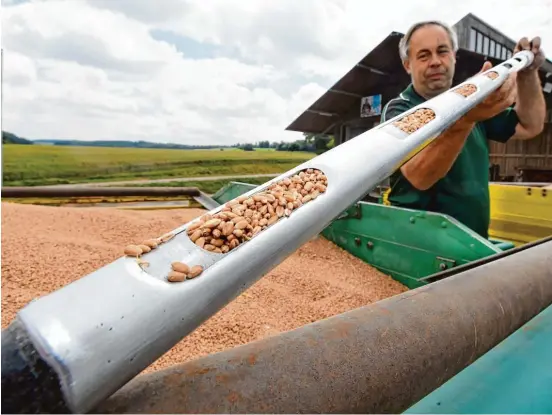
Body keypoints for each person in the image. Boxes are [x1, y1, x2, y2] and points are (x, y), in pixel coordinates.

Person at [380, 20, 546, 239]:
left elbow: (530, 125)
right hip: (414, 246)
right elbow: (420, 176)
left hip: (472, 241)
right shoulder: (401, 109)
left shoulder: (473, 100)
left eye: (442, 51)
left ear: (454, 56)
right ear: (407, 64)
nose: (435, 62)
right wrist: (467, 117)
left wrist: (528, 73)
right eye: (423, 55)